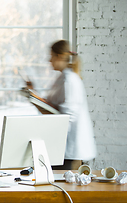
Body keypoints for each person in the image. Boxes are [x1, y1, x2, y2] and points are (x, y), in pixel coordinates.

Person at [27, 40, 97, 170]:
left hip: (69, 147)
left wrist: (36, 99)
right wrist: (34, 95)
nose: (49, 60)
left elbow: (66, 116)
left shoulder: (69, 80)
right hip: (62, 145)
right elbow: (51, 106)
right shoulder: (62, 78)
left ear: (59, 56)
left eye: (51, 56)